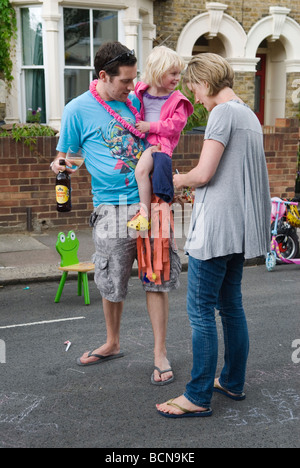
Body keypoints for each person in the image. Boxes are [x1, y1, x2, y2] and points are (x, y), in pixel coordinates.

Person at [50, 41, 181, 385]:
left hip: (152, 202)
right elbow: (70, 155)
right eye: (125, 81)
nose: (130, 87)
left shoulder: (136, 98)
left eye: (134, 79)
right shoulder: (77, 110)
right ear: (104, 76)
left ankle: (159, 353)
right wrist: (62, 165)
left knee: (157, 279)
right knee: (111, 281)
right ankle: (112, 342)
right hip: (110, 207)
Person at [156, 53, 271, 417]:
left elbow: (204, 173)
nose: (198, 101)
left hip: (217, 228)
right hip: (240, 226)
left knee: (201, 310)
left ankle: (197, 395)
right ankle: (232, 382)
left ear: (203, 82)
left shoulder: (222, 113)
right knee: (230, 306)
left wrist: (178, 179)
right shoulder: (248, 114)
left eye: (195, 89)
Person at [127, 46, 193, 231]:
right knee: (141, 176)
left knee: (140, 172)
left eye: (179, 73)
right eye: (173, 73)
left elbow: (176, 125)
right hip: (141, 142)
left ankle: (144, 215)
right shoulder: (141, 90)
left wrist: (151, 127)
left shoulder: (176, 99)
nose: (177, 78)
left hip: (158, 145)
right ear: (158, 71)